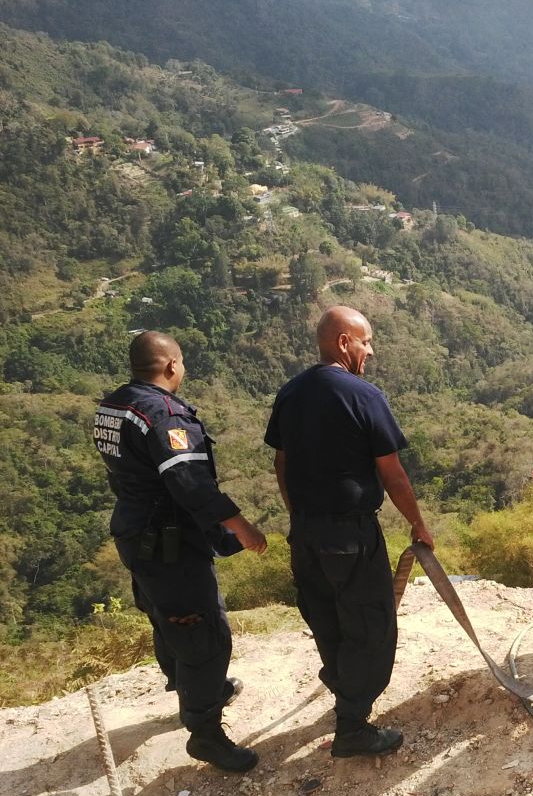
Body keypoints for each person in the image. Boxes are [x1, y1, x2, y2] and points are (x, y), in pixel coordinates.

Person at [265, 306, 434, 757]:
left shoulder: (290, 392)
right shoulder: (362, 395)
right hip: (350, 536)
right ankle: (353, 726)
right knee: (371, 625)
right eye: (366, 340)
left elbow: (281, 463)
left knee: (327, 619)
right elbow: (392, 473)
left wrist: (297, 516)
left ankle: (344, 692)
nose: (371, 350)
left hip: (304, 535)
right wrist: (418, 524)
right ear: (344, 342)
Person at [95, 331, 267, 772]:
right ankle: (205, 733)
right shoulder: (163, 414)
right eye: (182, 363)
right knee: (203, 633)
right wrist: (243, 529)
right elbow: (191, 484)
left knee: (164, 615)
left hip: (137, 535)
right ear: (171, 365)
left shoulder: (113, 406)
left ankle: (191, 687)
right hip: (169, 544)